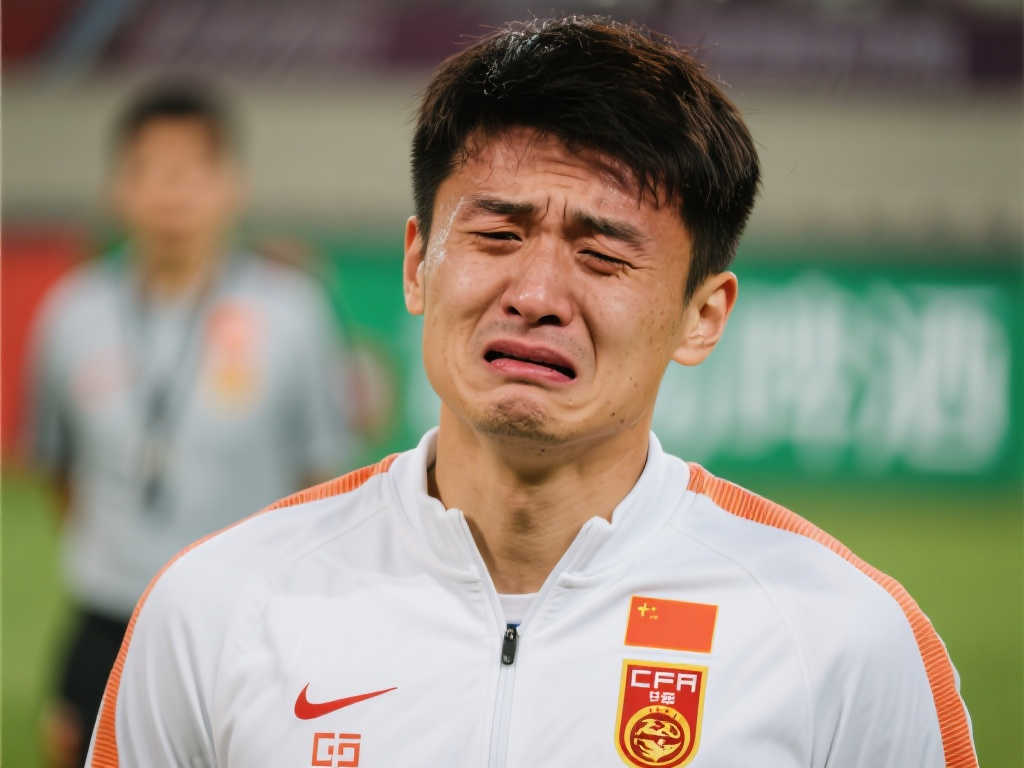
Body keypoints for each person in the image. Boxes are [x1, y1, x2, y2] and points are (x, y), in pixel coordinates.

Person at [85, 19, 977, 768]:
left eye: (603, 255)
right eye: (498, 235)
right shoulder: (216, 606)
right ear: (417, 264)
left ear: (702, 316)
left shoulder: (842, 638)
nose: (537, 294)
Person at [27, 79, 354, 768]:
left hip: (247, 619)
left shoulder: (294, 312)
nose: (172, 193)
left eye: (192, 171)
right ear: (117, 188)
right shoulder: (71, 313)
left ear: (232, 185)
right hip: (109, 612)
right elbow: (57, 470)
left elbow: (323, 476)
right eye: (151, 171)